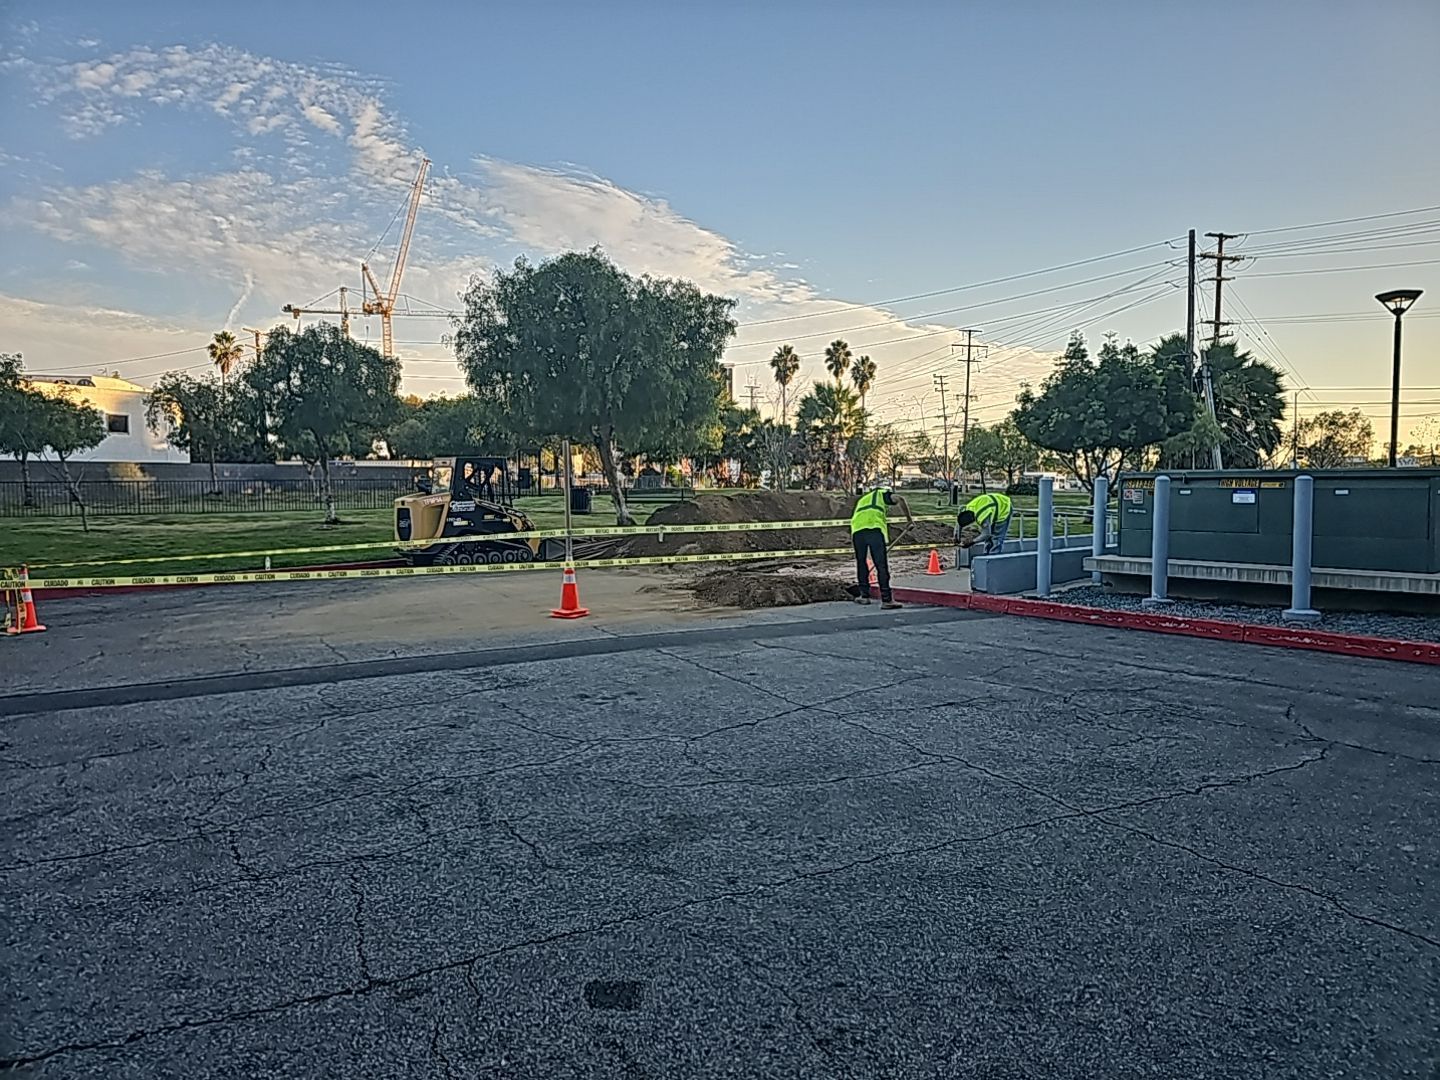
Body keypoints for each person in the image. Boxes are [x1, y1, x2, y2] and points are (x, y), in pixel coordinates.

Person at [850, 482, 912, 609]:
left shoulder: (863, 500)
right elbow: (900, 499)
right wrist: (909, 520)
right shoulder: (881, 494)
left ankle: (864, 596)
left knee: (861, 562)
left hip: (857, 531)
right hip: (874, 528)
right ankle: (886, 599)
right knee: (881, 564)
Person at [956, 491, 1013, 555]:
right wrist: (957, 537)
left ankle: (993, 557)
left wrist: (972, 542)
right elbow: (959, 524)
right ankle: (986, 555)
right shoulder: (967, 509)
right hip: (992, 505)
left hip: (1004, 506)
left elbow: (986, 534)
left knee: (996, 538)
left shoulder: (982, 516)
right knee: (988, 539)